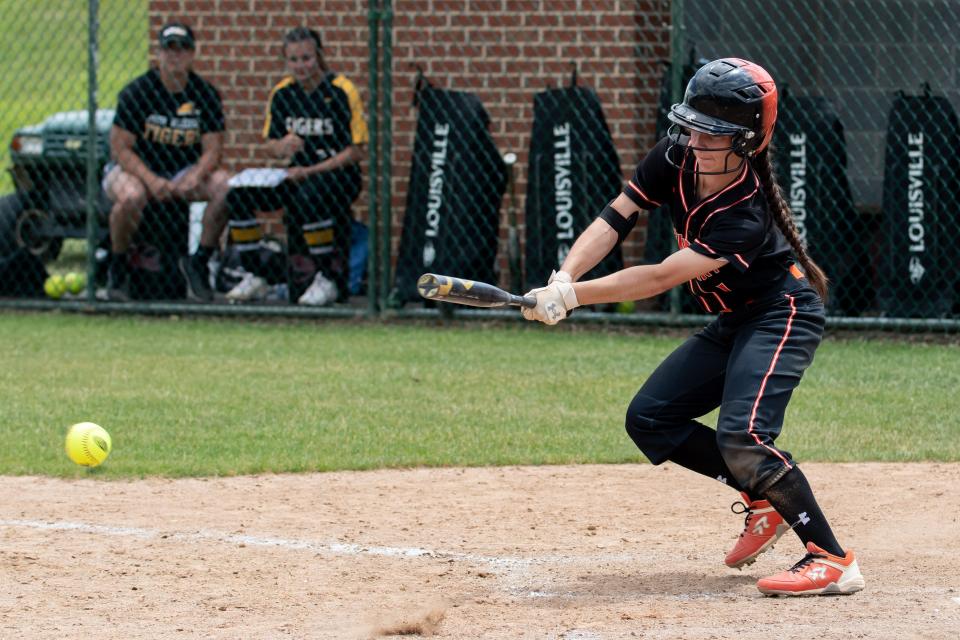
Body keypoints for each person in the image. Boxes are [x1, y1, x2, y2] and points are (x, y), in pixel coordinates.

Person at [521, 58, 865, 597]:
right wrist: (564, 276)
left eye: (716, 133)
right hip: (737, 318)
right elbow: (616, 218)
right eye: (693, 125)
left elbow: (660, 276)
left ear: (749, 141)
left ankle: (831, 558)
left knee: (744, 434)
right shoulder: (675, 157)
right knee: (651, 418)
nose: (698, 140)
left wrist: (574, 298)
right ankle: (760, 498)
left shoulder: (745, 212)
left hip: (782, 314)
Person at [222, 26, 367, 305]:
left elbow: (356, 151)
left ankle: (328, 279)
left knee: (309, 198)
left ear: (319, 56)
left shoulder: (341, 90)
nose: (301, 66)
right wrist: (282, 146)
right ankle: (258, 273)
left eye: (307, 58)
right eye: (294, 60)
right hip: (295, 173)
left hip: (338, 174)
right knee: (238, 196)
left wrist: (311, 171)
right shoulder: (282, 93)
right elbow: (270, 144)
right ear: (286, 61)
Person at [104, 22, 230, 302]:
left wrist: (196, 176)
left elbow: (213, 149)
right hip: (135, 170)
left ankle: (199, 261)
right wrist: (151, 180)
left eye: (182, 49)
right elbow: (121, 150)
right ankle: (118, 265)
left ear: (192, 54)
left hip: (183, 171)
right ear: (158, 54)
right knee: (131, 196)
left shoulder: (205, 94)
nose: (175, 56)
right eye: (169, 49)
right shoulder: (137, 92)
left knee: (225, 186)